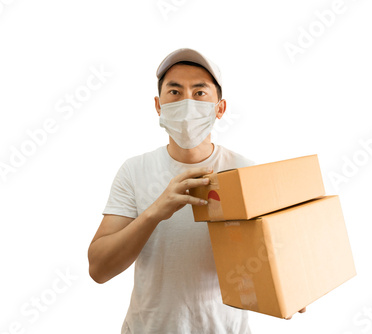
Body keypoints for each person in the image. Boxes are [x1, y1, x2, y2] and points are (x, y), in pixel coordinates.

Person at [88, 48, 257, 333]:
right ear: (158, 105)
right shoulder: (134, 170)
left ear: (220, 108)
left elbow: (274, 254)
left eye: (200, 93)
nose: (187, 102)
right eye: (175, 92)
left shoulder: (244, 171)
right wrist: (155, 212)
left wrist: (293, 287)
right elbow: (99, 269)